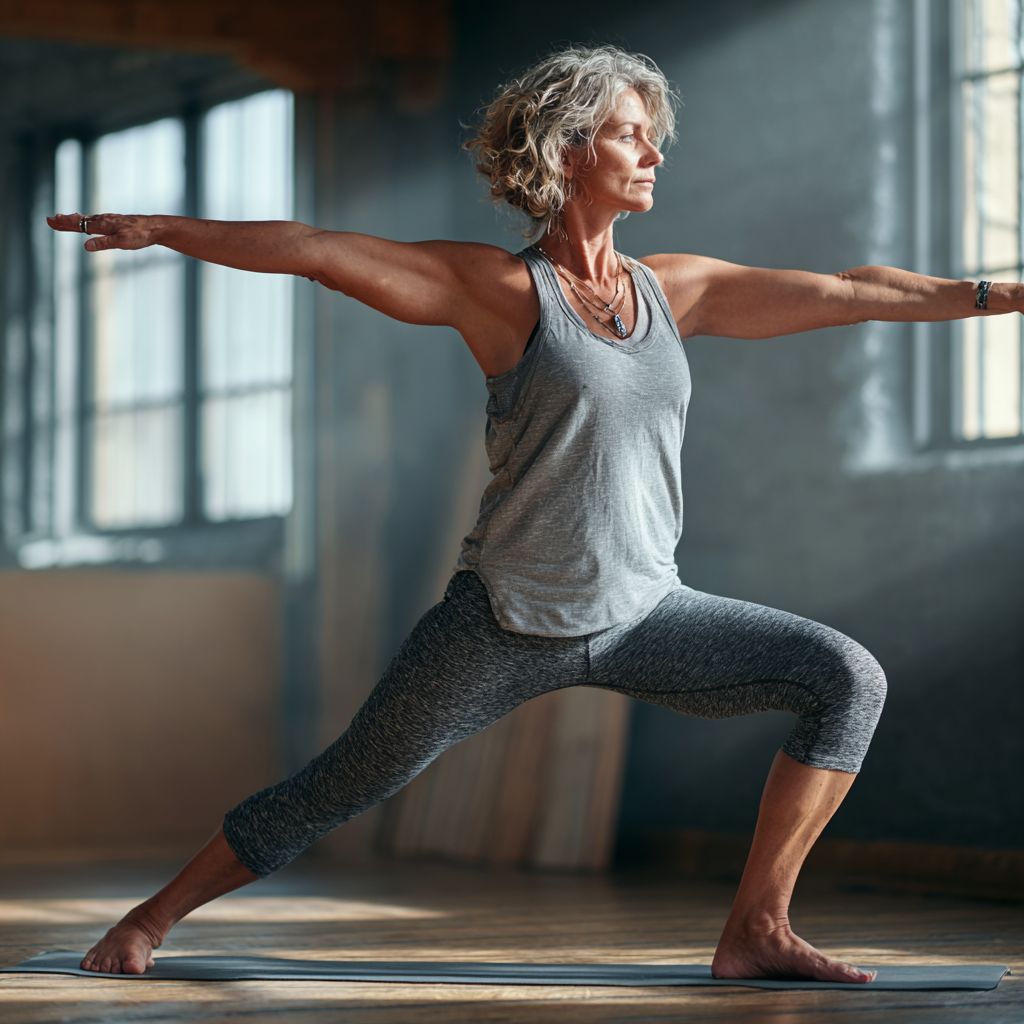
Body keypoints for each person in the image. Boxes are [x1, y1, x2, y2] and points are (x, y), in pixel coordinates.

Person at [48, 44, 1007, 983]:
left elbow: (848, 292)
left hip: (645, 613)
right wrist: (169, 229)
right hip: (502, 621)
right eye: (630, 135)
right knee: (342, 783)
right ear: (567, 149)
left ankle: (757, 928)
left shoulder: (674, 289)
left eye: (653, 135)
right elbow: (320, 253)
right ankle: (149, 919)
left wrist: (993, 294)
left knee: (845, 676)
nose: (654, 154)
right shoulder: (503, 292)